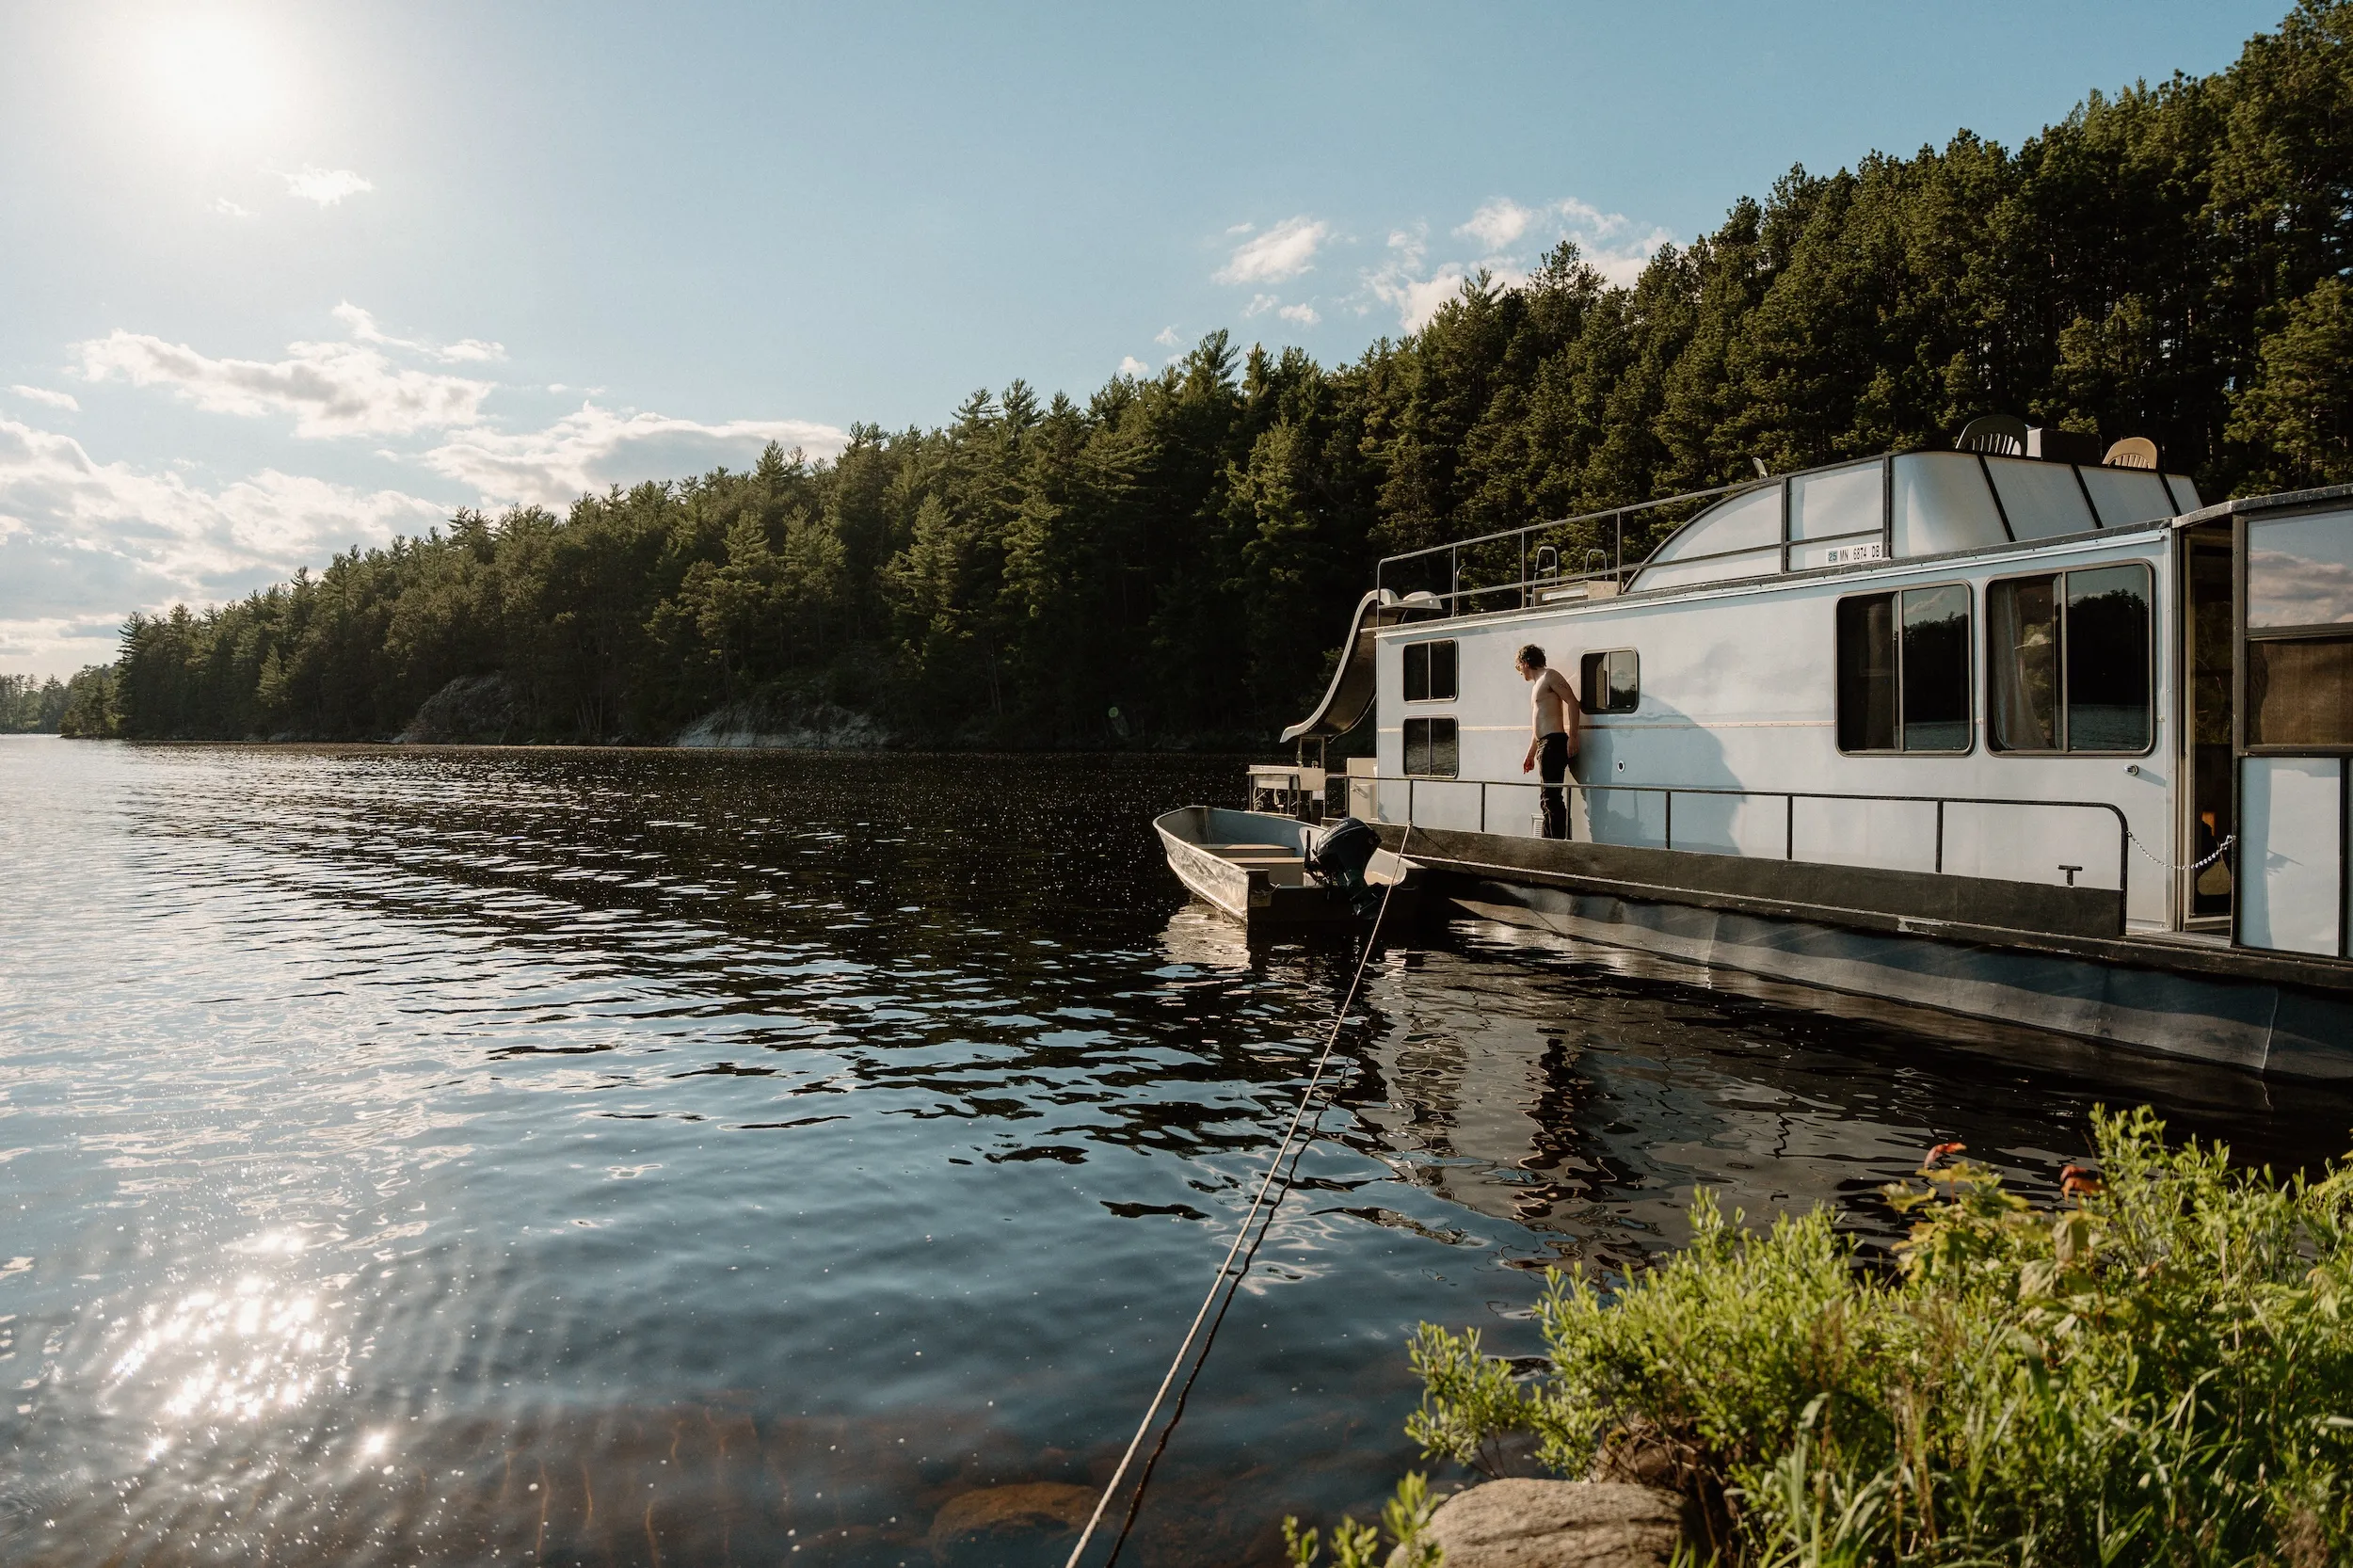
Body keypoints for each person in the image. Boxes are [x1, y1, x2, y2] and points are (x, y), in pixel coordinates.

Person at [1517, 645, 1580, 840]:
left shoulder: (1550, 676)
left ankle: (1557, 846)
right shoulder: (1537, 686)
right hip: (1544, 744)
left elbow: (1572, 701)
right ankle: (1549, 845)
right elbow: (1538, 726)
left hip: (1554, 742)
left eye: (1519, 666)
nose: (1519, 671)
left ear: (1526, 662)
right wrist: (1530, 754)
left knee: (1551, 798)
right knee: (1546, 799)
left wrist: (1573, 736)